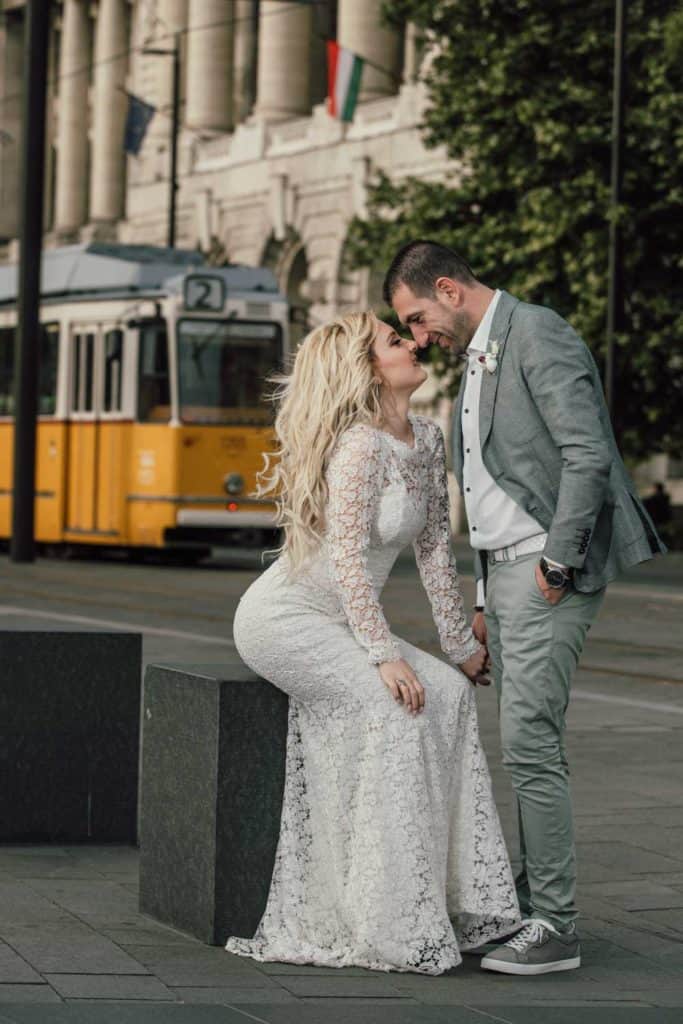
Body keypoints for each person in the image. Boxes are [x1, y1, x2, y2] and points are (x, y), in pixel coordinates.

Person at [386, 240, 666, 976]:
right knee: (521, 745)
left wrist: (556, 560)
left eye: (416, 318)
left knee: (531, 747)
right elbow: (485, 485)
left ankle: (555, 923)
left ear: (447, 288)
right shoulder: (479, 354)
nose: (418, 337)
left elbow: (586, 454)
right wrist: (481, 595)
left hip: (544, 572)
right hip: (505, 577)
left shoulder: (535, 333)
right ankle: (529, 902)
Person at [224, 312, 521, 975]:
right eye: (395, 340)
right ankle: (385, 919)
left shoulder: (424, 437)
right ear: (366, 367)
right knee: (399, 711)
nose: (414, 344)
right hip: (288, 618)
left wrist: (458, 650)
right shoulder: (358, 446)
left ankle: (440, 899)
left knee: (445, 694)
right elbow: (352, 565)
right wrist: (383, 655)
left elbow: (436, 553)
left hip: (347, 621)